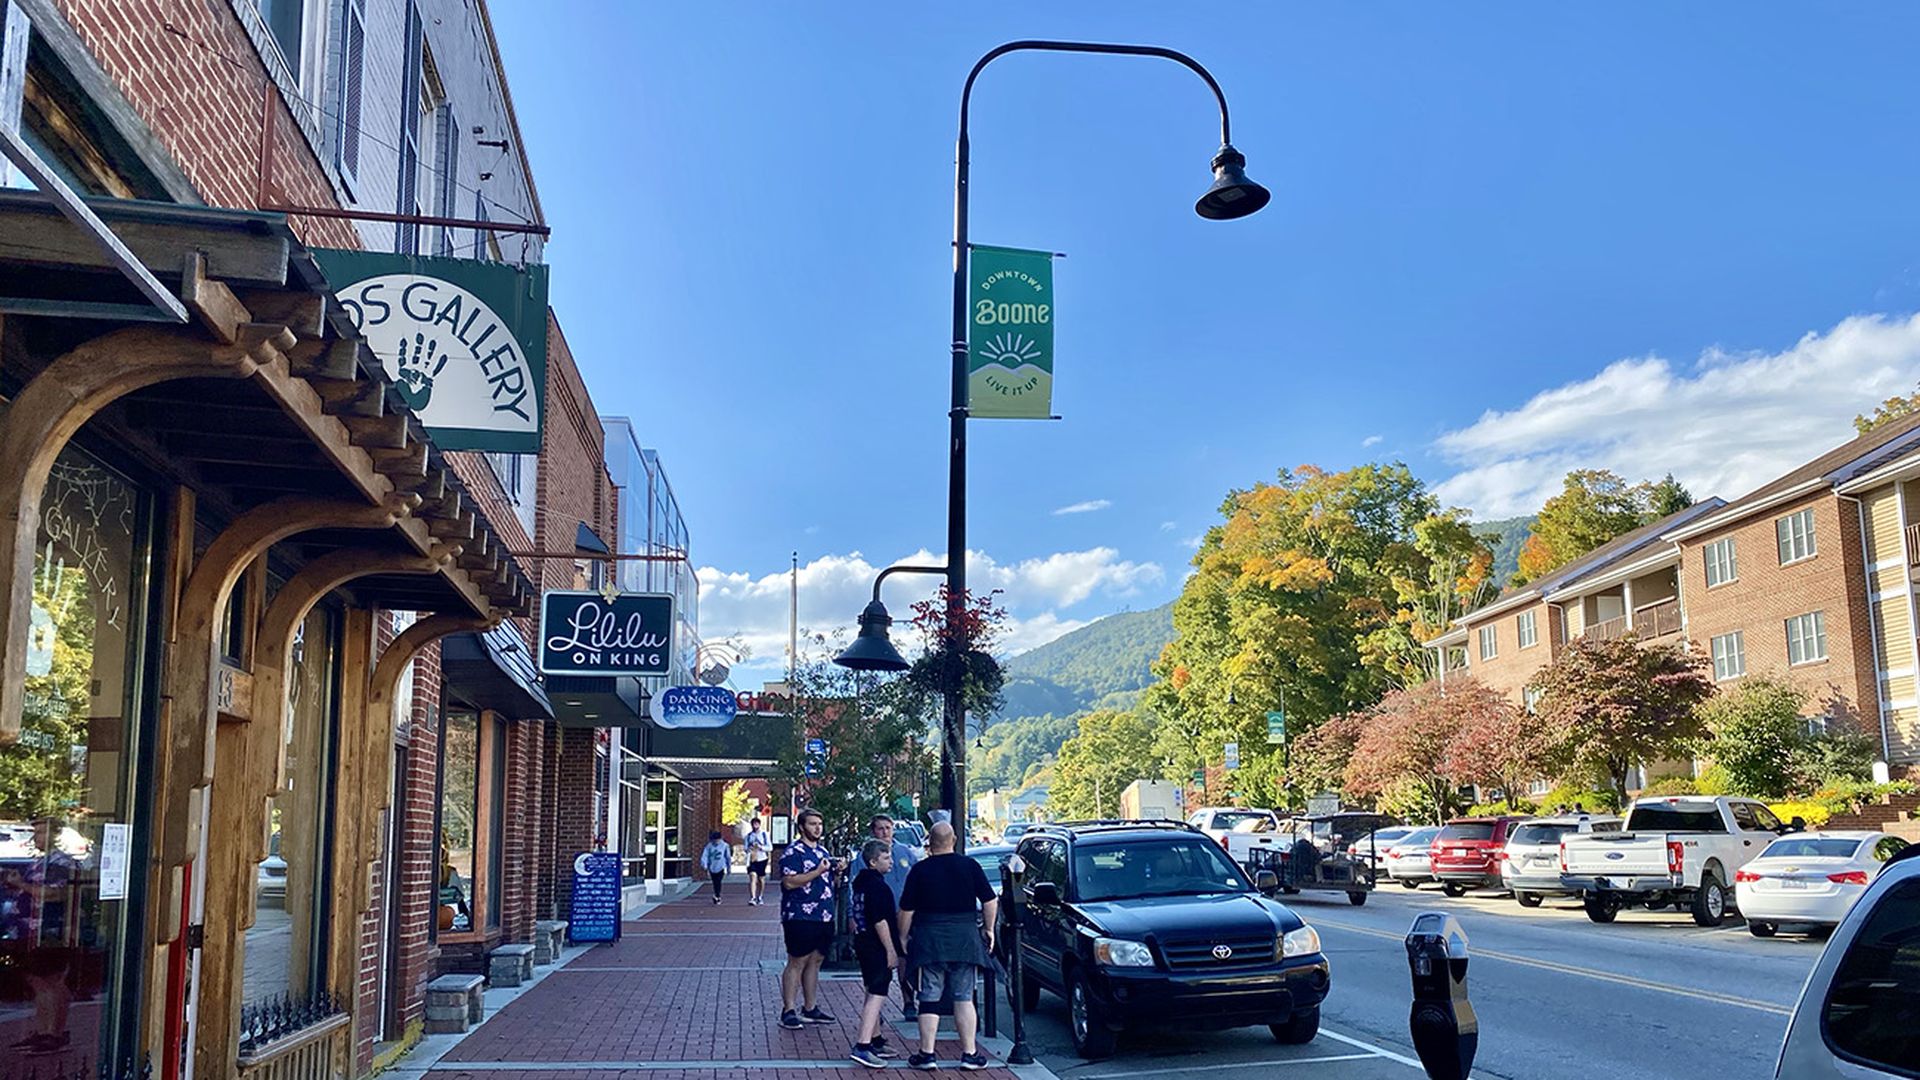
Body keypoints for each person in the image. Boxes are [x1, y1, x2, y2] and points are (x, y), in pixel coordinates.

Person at [899, 822, 997, 1071]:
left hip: (929, 938)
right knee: (964, 997)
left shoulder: (919, 870)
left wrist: (902, 937)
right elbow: (990, 900)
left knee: (929, 997)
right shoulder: (970, 866)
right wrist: (989, 929)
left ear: (929, 842)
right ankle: (970, 1053)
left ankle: (927, 1054)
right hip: (965, 937)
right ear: (953, 839)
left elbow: (906, 909)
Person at [777, 808, 842, 1030]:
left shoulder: (823, 852)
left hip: (823, 915)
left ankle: (810, 1007)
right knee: (797, 961)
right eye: (813, 824)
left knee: (815, 960)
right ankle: (788, 1009)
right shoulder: (793, 852)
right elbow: (789, 882)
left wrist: (836, 872)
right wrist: (817, 871)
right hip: (800, 915)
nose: (817, 828)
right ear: (802, 827)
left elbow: (826, 883)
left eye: (820, 824)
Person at [851, 814, 919, 1017]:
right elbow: (854, 890)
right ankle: (874, 1007)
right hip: (877, 915)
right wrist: (852, 916)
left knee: (904, 958)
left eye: (888, 828)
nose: (885, 832)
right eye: (880, 828)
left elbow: (916, 880)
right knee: (878, 964)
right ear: (873, 831)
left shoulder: (905, 851)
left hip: (904, 913)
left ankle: (908, 1002)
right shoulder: (866, 857)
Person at [847, 839, 902, 1068]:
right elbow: (880, 921)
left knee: (872, 989)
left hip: (862, 941)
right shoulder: (878, 887)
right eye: (886, 858)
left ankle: (875, 1040)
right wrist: (891, 950)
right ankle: (862, 1044)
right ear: (872, 861)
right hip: (875, 945)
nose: (891, 861)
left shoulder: (860, 884)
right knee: (878, 992)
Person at [744, 816, 773, 906]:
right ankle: (752, 897)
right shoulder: (748, 836)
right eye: (753, 824)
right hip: (752, 859)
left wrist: (761, 847)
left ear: (759, 825)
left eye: (756, 824)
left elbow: (770, 847)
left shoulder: (764, 835)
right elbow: (745, 848)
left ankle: (760, 896)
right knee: (753, 876)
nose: (755, 826)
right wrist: (749, 849)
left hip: (762, 858)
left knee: (761, 878)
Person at [699, 830, 732, 904]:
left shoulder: (725, 846)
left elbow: (728, 857)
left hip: (721, 866)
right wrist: (704, 864)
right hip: (712, 866)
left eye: (718, 840)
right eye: (715, 840)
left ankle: (717, 896)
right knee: (714, 882)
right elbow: (705, 855)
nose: (716, 842)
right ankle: (716, 895)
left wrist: (728, 867)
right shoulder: (709, 846)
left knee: (718, 881)